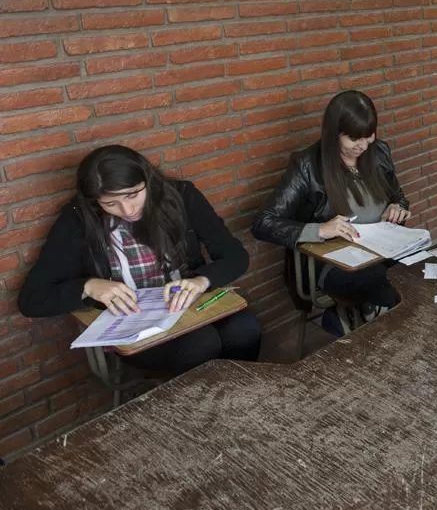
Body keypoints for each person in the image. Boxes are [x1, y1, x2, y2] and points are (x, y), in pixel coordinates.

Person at [18, 145, 261, 375]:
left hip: (190, 305)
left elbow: (235, 256)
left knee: (244, 328)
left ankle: (239, 401)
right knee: (201, 342)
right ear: (94, 200)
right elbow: (32, 299)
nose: (127, 209)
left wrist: (201, 281)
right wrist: (89, 286)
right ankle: (197, 412)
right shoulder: (77, 221)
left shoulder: (182, 197)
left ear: (148, 180)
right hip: (132, 324)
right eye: (110, 203)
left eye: (133, 194)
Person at [251, 90, 410, 330]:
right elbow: (263, 223)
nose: (362, 146)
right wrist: (320, 230)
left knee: (419, 269)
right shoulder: (307, 166)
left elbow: (399, 196)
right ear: (334, 133)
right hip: (330, 262)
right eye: (354, 139)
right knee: (385, 283)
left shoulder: (378, 153)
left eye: (368, 137)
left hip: (380, 249)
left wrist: (397, 207)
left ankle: (360, 318)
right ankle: (376, 321)